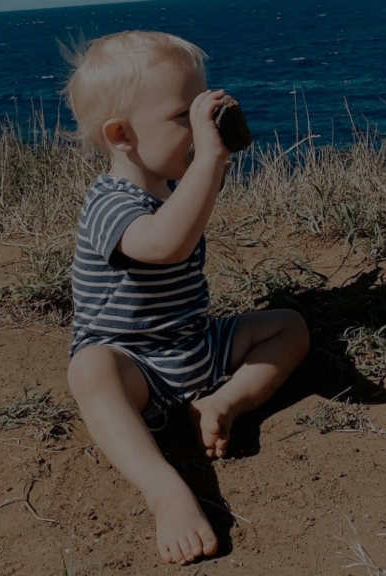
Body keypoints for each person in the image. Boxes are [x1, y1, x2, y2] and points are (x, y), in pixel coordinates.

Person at [62, 30, 309, 566]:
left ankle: (222, 403)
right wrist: (210, 156)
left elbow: (186, 215)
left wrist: (208, 156)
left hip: (195, 343)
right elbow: (165, 244)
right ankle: (164, 490)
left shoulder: (169, 189)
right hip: (134, 362)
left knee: (290, 326)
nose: (202, 127)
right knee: (90, 369)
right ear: (122, 134)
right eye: (185, 116)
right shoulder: (109, 202)